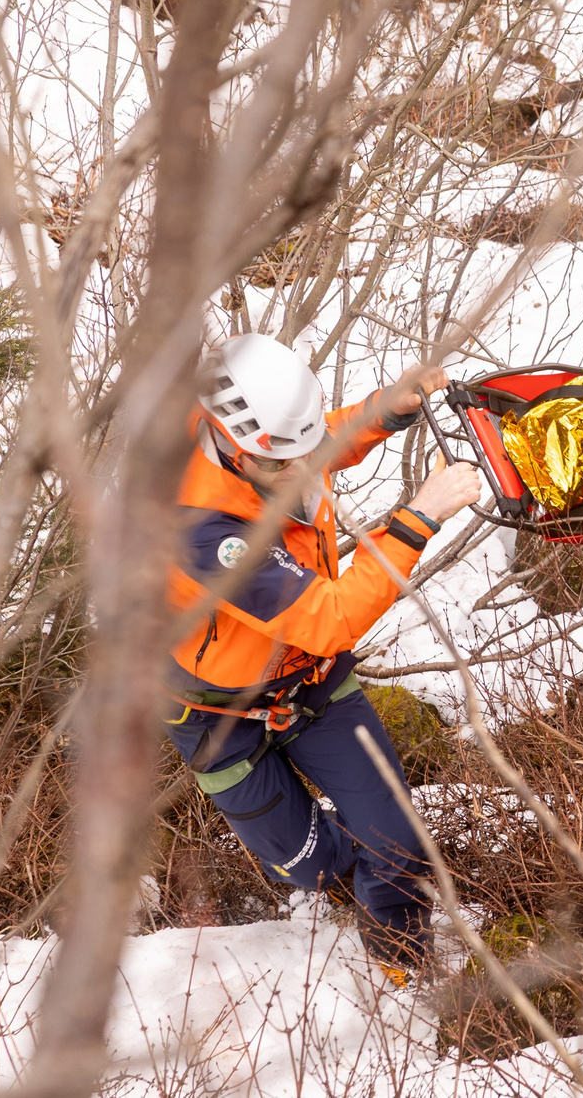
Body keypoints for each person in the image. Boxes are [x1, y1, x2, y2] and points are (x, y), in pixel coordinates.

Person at [164, 332, 483, 980]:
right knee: (307, 864)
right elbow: (327, 617)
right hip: (218, 715)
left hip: (311, 684)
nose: (305, 470)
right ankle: (347, 876)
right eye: (283, 462)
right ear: (231, 445)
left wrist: (388, 408)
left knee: (398, 842)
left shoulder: (278, 447)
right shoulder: (202, 529)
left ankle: (402, 960)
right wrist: (419, 516)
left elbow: (325, 436)